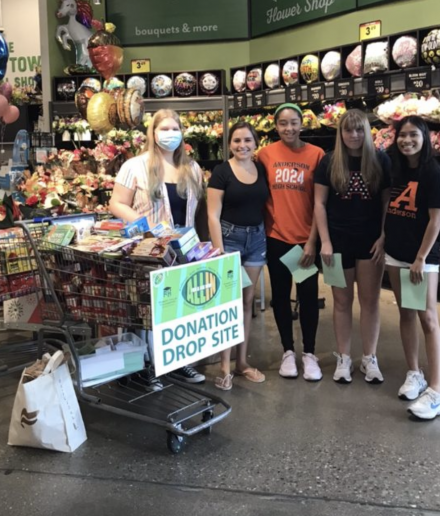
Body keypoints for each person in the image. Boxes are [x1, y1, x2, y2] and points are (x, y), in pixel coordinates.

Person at [109, 108, 206, 384]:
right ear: (152, 133)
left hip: (184, 251)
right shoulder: (134, 166)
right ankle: (145, 366)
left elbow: (198, 212)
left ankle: (178, 362)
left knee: (179, 309)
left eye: (175, 129)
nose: (170, 134)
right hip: (148, 252)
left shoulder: (192, 169)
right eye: (164, 129)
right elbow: (117, 203)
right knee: (147, 311)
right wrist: (147, 226)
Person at [314, 109, 391, 384]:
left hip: (370, 242)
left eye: (359, 129)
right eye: (348, 130)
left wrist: (383, 235)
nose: (354, 135)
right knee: (341, 302)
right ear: (341, 133)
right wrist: (325, 241)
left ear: (367, 132)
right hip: (337, 242)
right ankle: (344, 358)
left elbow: (387, 202)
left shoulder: (380, 159)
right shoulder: (329, 161)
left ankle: (370, 358)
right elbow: (319, 203)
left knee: (370, 301)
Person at [384, 115, 440, 420]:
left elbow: (436, 220)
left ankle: (437, 393)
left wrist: (421, 257)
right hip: (395, 254)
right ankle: (414, 373)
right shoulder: (395, 169)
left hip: (421, 260)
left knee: (429, 319)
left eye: (413, 135)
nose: (407, 140)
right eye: (402, 135)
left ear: (425, 137)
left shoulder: (434, 173)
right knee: (406, 313)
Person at [257, 102, 323, 381]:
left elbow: (320, 203)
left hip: (304, 242)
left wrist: (312, 242)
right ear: (276, 126)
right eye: (283, 123)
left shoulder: (316, 154)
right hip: (276, 239)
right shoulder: (265, 154)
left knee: (308, 299)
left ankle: (309, 353)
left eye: (294, 122)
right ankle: (287, 351)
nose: (288, 128)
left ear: (302, 124)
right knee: (281, 298)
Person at [207, 121, 269, 389]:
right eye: (236, 141)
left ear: (256, 143)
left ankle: (242, 363)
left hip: (256, 239)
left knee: (247, 302)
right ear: (229, 144)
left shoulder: (261, 169)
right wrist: (219, 249)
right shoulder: (222, 172)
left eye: (247, 140)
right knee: (227, 303)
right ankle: (224, 366)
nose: (242, 145)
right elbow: (212, 214)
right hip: (229, 239)